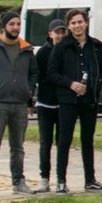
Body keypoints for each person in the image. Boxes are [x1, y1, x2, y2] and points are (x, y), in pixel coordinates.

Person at [47, 8, 102, 193]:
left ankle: (90, 180)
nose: (77, 26)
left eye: (80, 22)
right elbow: (52, 73)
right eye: (73, 23)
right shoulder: (61, 47)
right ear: (69, 26)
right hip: (68, 101)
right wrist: (70, 84)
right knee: (64, 140)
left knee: (87, 140)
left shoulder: (96, 46)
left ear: (86, 23)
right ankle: (61, 181)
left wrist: (96, 84)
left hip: (89, 100)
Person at [0, 12, 38, 198]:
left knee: (18, 147)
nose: (15, 27)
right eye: (12, 24)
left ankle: (18, 182)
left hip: (20, 104)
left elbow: (34, 73)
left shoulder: (27, 49)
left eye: (17, 24)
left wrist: (29, 90)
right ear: (4, 26)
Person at [34, 19, 66, 193]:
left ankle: (61, 179)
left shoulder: (68, 51)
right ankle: (44, 178)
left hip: (63, 104)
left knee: (62, 142)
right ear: (50, 34)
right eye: (57, 32)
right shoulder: (43, 53)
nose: (60, 36)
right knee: (45, 142)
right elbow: (37, 76)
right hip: (45, 103)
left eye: (62, 32)